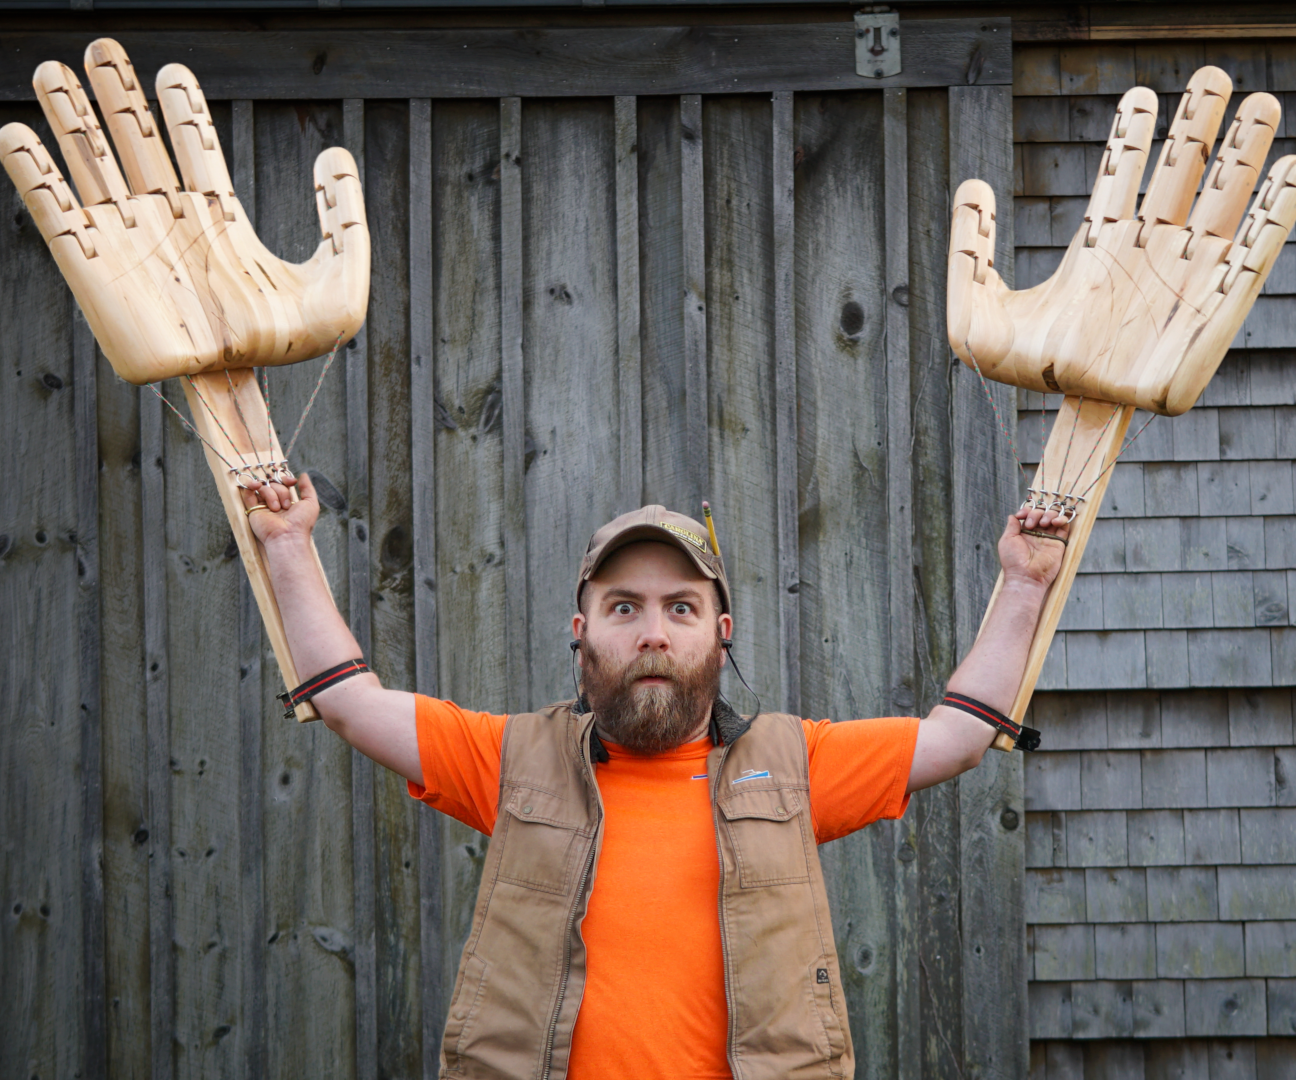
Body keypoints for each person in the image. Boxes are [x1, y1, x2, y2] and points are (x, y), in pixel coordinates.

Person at [242, 477, 1068, 1080]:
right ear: (583, 631)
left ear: (721, 632)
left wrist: (1027, 580)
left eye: (681, 607)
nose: (652, 633)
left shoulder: (791, 763)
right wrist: (285, 541)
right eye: (623, 607)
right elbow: (348, 702)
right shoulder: (512, 759)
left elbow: (960, 736)